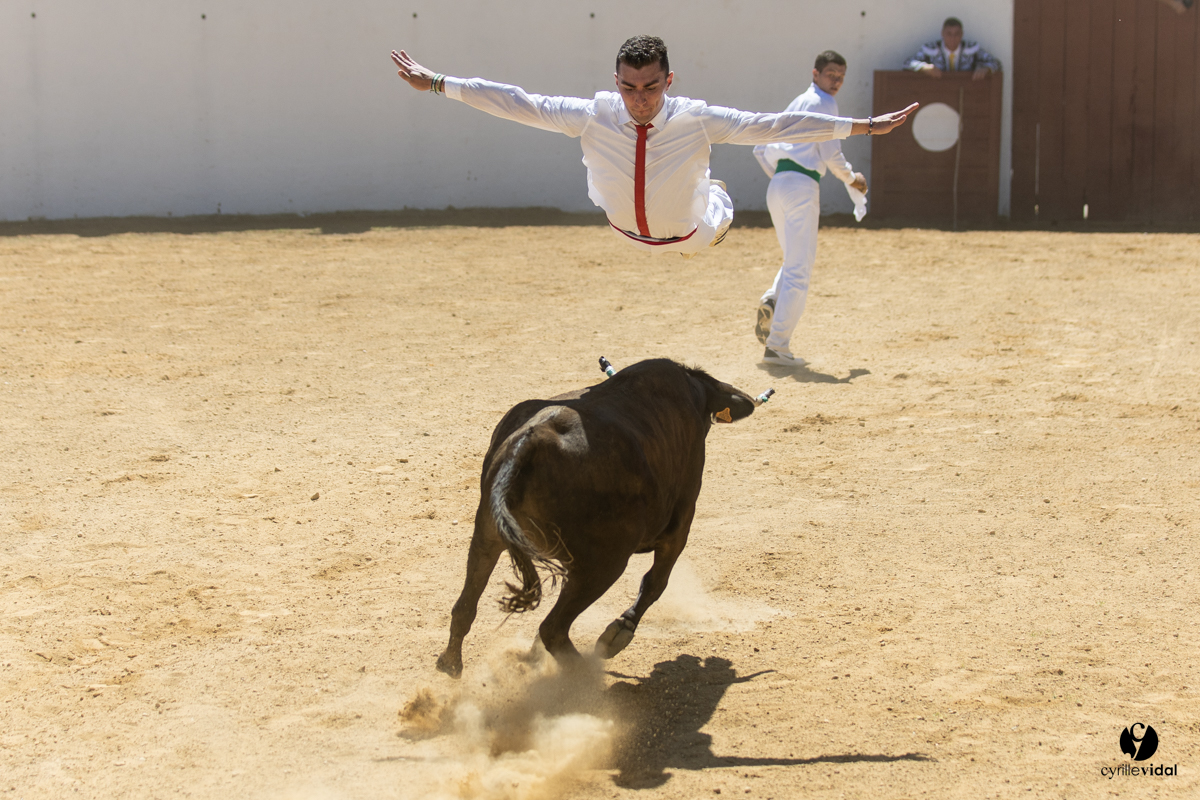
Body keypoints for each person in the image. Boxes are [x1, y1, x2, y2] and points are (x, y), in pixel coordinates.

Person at [391, 36, 916, 257]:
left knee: (715, 199)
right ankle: (710, 189)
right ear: (615, 80)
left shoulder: (696, 116)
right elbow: (514, 101)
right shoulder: (594, 112)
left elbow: (776, 124)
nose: (639, 99)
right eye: (628, 87)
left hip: (693, 232)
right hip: (624, 230)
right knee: (620, 170)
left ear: (669, 80)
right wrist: (437, 82)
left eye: (650, 87)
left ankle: (715, 194)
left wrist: (866, 126)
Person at [752, 51, 865, 368]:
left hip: (778, 183)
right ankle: (777, 346)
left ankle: (773, 300)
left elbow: (761, 148)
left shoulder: (797, 102)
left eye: (841, 76)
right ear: (815, 73)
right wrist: (852, 178)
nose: (837, 81)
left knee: (793, 259)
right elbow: (831, 152)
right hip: (802, 185)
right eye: (831, 74)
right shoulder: (826, 104)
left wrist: (784, 178)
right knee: (800, 269)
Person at [904, 17, 1001, 80]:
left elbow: (997, 63)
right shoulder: (930, 49)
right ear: (942, 34)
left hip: (965, 93)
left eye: (956, 34)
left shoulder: (972, 49)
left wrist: (987, 68)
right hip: (936, 93)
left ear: (962, 34)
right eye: (949, 34)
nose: (952, 38)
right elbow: (907, 63)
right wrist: (924, 67)